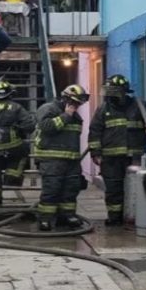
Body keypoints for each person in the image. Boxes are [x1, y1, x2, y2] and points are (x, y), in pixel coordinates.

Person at [88, 75, 146, 226]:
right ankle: (114, 218)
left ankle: (134, 217)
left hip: (134, 157)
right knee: (113, 189)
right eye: (108, 92)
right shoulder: (103, 109)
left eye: (113, 92)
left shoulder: (138, 105)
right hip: (110, 158)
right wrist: (95, 153)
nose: (110, 96)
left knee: (135, 189)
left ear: (123, 92)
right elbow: (95, 132)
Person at [33, 84, 90, 231]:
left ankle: (67, 216)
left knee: (70, 190)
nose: (77, 105)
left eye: (79, 103)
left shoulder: (76, 117)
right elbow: (46, 127)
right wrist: (66, 116)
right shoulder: (48, 109)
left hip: (71, 161)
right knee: (51, 190)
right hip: (51, 159)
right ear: (65, 99)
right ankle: (45, 219)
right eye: (75, 102)